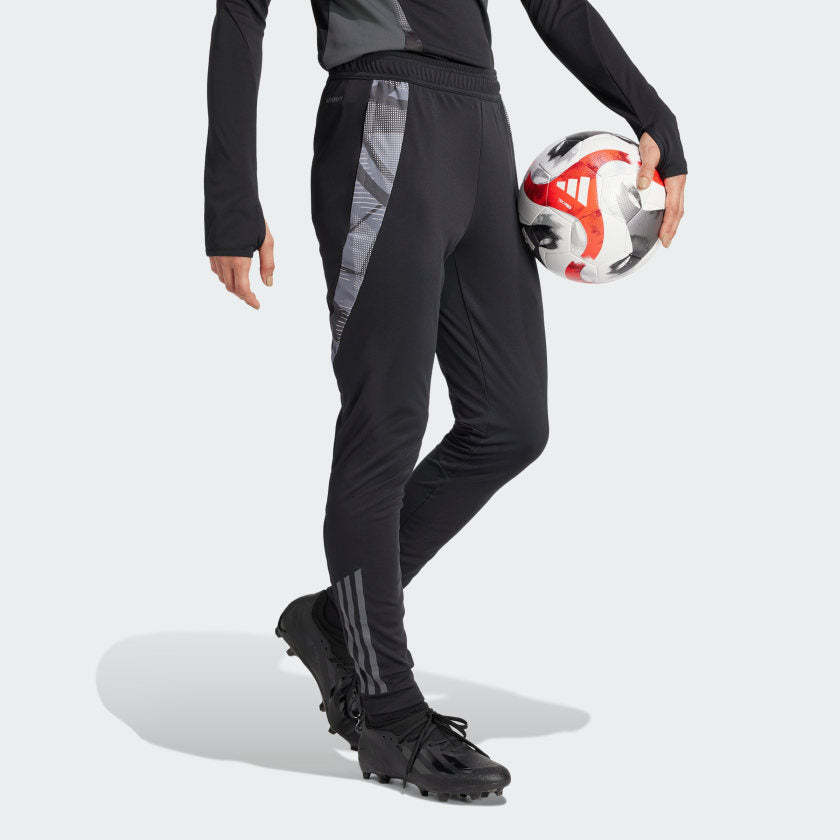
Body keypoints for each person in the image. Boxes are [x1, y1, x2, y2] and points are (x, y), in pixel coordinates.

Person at [205, 0, 686, 802]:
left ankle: (338, 620)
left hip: (480, 125)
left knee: (511, 423)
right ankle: (389, 715)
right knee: (386, 425)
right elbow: (240, 14)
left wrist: (653, 116)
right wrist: (230, 200)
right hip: (382, 121)